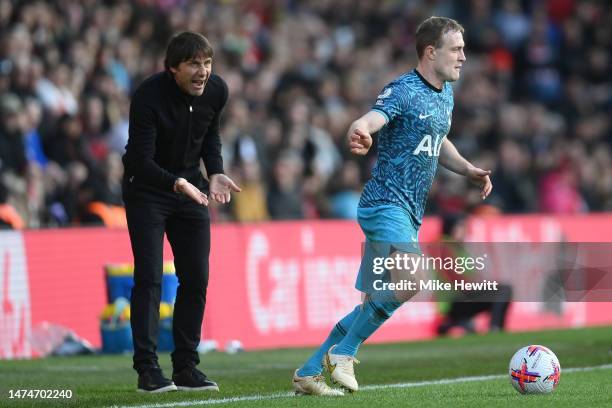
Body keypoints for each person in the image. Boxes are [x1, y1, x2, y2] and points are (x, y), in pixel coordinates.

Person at [292, 16, 492, 396]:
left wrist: (467, 169)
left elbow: (438, 139)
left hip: (407, 214)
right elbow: (372, 118)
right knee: (413, 280)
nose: (464, 57)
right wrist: (362, 129)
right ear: (430, 52)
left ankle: (308, 371)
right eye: (457, 49)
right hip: (385, 206)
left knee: (370, 304)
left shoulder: (444, 94)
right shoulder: (402, 90)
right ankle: (345, 353)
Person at [122, 32, 240, 393]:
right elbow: (139, 161)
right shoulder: (148, 96)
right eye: (193, 63)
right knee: (151, 278)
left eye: (207, 62)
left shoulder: (217, 91)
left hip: (191, 193)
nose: (203, 71)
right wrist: (178, 183)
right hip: (148, 192)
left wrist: (215, 171)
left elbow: (210, 135)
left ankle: (186, 367)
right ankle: (147, 370)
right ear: (173, 68)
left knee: (196, 279)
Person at [435, 213, 512, 336]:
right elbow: (457, 280)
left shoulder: (456, 246)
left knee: (500, 291)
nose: (464, 230)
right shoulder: (442, 246)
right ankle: (495, 328)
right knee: (503, 291)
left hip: (462, 298)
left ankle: (460, 323)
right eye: (461, 226)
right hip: (453, 302)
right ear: (451, 227)